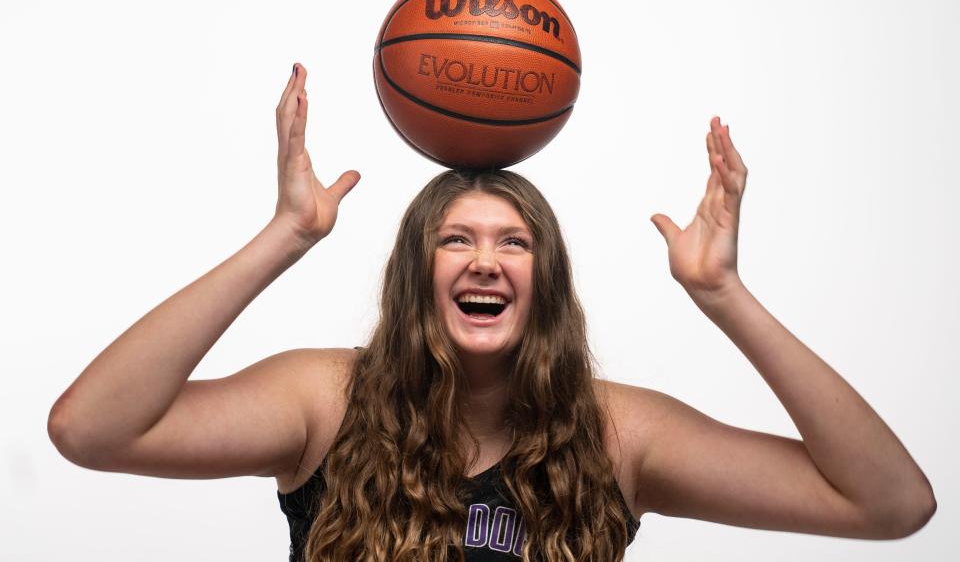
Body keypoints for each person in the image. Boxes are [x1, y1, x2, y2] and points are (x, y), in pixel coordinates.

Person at [47, 63, 936, 562]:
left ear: (545, 279)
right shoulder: (325, 401)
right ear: (414, 274)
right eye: (454, 240)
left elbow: (892, 503)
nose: (483, 260)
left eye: (513, 242)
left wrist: (723, 295)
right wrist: (285, 235)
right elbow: (90, 428)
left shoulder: (620, 433)